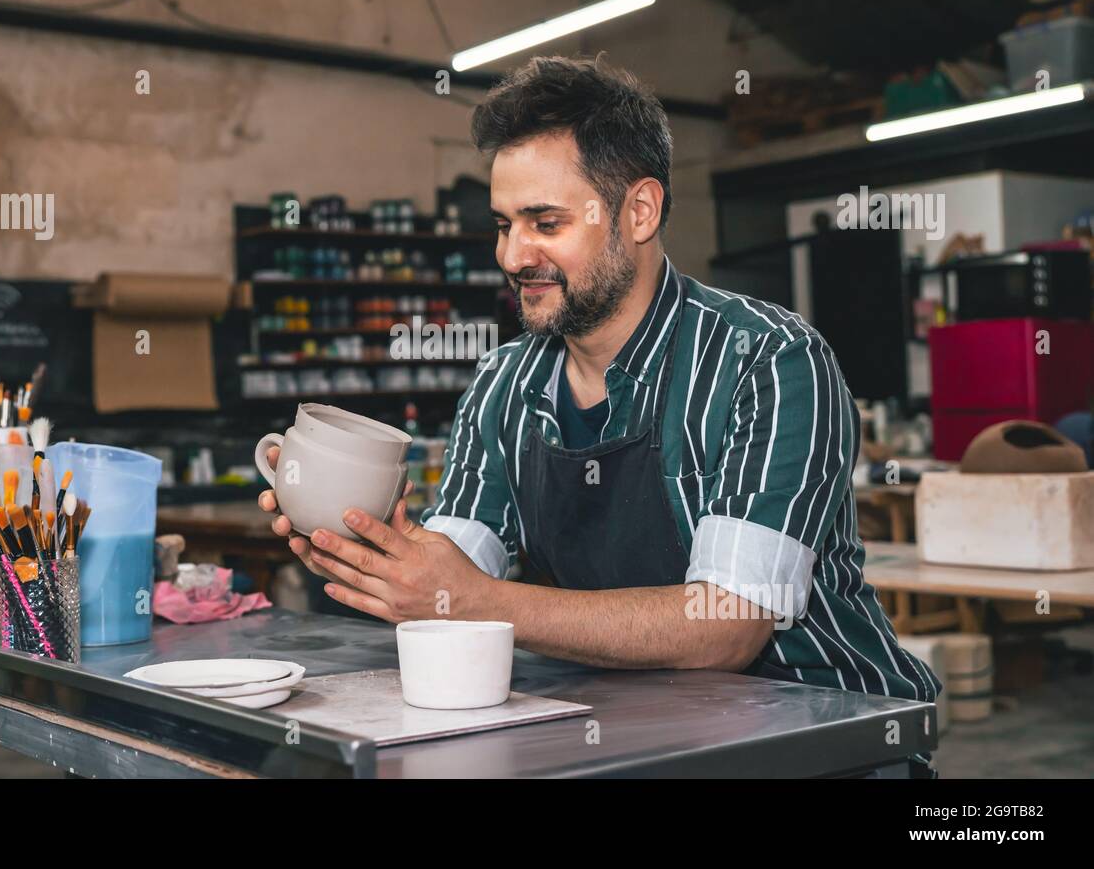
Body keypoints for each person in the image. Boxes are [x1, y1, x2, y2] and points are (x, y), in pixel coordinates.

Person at [259, 55, 939, 711]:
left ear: (640, 211)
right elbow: (455, 570)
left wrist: (476, 600)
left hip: (822, 730)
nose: (512, 256)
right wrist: (368, 550)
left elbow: (729, 625)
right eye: (503, 225)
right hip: (630, 725)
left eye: (545, 222)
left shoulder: (767, 361)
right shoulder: (503, 383)